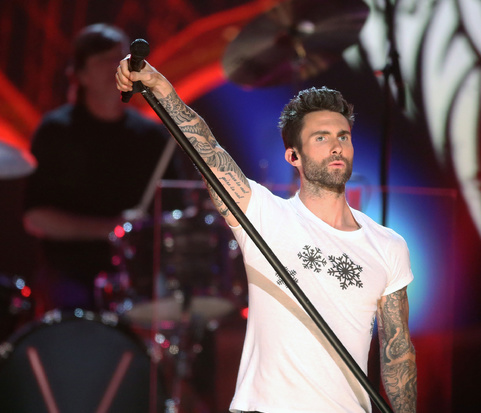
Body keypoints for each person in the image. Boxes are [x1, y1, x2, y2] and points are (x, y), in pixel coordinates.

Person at [116, 58, 417, 412]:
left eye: (343, 137)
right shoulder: (264, 214)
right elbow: (208, 151)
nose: (336, 146)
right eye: (321, 138)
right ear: (293, 156)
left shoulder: (388, 245)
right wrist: (162, 89)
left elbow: (398, 353)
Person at [23, 24, 180, 314]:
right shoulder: (56, 132)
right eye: (104, 60)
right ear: (80, 74)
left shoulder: (154, 137)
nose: (116, 66)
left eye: (121, 58)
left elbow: (176, 213)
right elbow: (37, 218)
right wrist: (111, 228)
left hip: (140, 276)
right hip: (72, 275)